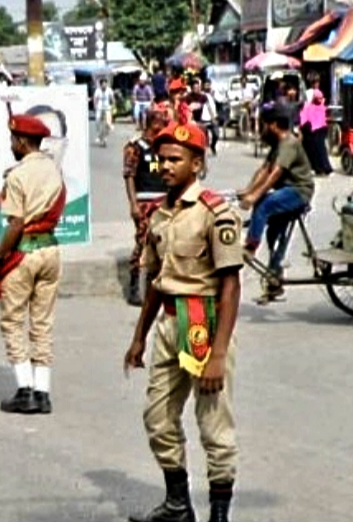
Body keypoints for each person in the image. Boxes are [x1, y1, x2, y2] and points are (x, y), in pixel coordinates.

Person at [124, 120, 243, 522]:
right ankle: (178, 504)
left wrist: (218, 354)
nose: (166, 166)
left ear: (197, 163)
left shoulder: (215, 213)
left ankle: (219, 515)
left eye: (176, 159)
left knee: (213, 425)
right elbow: (156, 282)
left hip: (203, 323)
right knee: (157, 417)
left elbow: (231, 285)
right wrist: (139, 337)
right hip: (169, 323)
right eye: (162, 159)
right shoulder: (159, 215)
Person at [0, 114, 65, 415]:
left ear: (23, 142)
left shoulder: (16, 177)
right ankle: (43, 392)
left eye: (14, 140)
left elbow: (16, 225)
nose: (12, 145)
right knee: (42, 323)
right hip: (50, 250)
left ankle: (25, 390)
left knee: (13, 322)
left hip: (24, 253)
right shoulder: (53, 169)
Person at [238, 104, 314, 303]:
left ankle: (250, 247)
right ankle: (274, 279)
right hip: (286, 191)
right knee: (274, 234)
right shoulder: (277, 145)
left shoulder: (288, 143)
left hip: (298, 191)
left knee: (264, 205)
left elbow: (275, 173)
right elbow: (264, 170)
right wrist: (248, 190)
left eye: (263, 124)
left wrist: (255, 196)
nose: (262, 129)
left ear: (273, 125)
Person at [123, 110, 168, 306]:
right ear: (152, 124)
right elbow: (129, 175)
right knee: (143, 241)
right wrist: (133, 204)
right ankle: (134, 285)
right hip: (144, 203)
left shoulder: (161, 148)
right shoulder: (135, 147)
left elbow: (155, 170)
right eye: (160, 124)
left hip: (163, 200)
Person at [299, 87, 334, 176]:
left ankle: (322, 168)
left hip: (315, 131)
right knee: (315, 151)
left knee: (318, 150)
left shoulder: (317, 106)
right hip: (312, 131)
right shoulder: (311, 106)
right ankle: (319, 168)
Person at [94, 78, 115, 147]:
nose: (104, 85)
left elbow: (112, 99)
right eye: (103, 84)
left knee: (108, 124)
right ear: (100, 85)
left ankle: (105, 138)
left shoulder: (109, 90)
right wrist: (95, 106)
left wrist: (113, 106)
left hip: (107, 108)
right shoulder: (97, 90)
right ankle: (99, 136)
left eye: (105, 84)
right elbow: (95, 99)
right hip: (99, 108)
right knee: (97, 120)